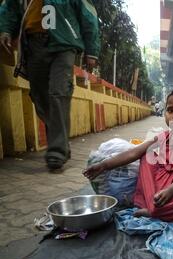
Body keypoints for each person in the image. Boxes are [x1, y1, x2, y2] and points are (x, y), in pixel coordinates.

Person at [83, 89, 173, 223]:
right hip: (159, 190)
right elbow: (134, 152)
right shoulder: (163, 137)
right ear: (165, 112)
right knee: (146, 155)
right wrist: (104, 165)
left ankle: (154, 211)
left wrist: (170, 191)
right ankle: (157, 208)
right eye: (171, 110)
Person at [0, 0, 100, 170]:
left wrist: (92, 51)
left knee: (59, 92)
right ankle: (59, 137)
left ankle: (57, 151)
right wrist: (5, 29)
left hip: (64, 45)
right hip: (33, 44)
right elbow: (10, 7)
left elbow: (89, 16)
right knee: (39, 95)